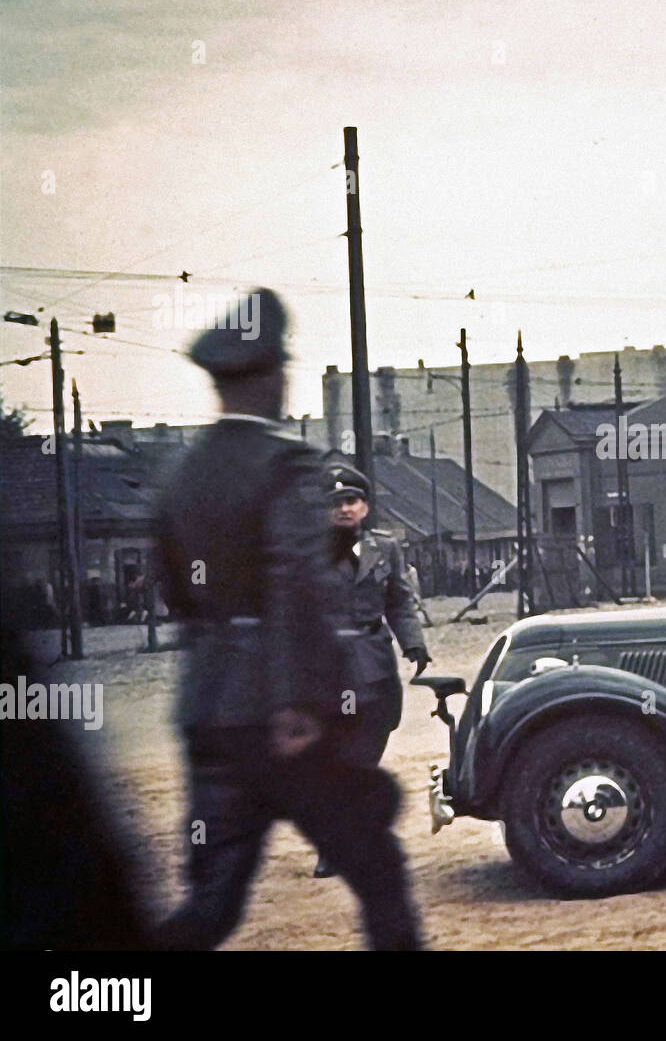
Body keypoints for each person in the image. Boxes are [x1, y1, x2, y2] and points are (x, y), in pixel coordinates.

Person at [153, 288, 421, 951]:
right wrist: (299, 698)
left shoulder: (178, 474)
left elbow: (175, 594)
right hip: (285, 721)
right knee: (379, 872)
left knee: (212, 904)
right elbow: (297, 583)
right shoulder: (287, 464)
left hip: (206, 708)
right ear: (273, 376)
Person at [314, 463, 430, 877]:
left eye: (351, 501)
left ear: (364, 507)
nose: (344, 509)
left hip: (375, 660)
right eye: (335, 503)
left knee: (375, 734)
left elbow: (399, 600)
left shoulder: (386, 548)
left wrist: (413, 643)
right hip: (328, 663)